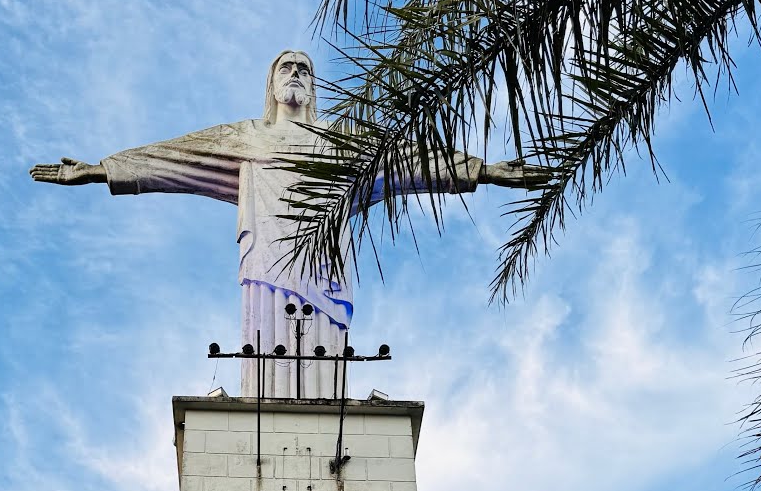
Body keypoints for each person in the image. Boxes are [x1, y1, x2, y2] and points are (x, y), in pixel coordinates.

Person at [30, 50, 552, 399]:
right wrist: (102, 169)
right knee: (266, 337)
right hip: (265, 260)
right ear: (272, 85)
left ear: (315, 87)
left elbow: (409, 162)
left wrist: (482, 170)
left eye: (305, 69)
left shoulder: (343, 142)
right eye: (287, 69)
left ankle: (325, 405)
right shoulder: (245, 137)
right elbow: (172, 158)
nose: (297, 75)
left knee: (325, 345)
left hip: (323, 257)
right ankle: (264, 405)